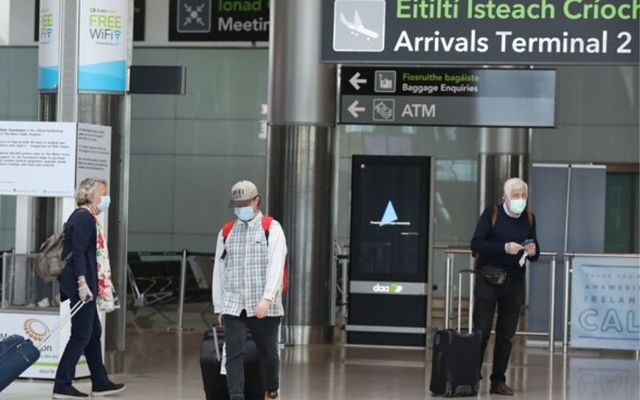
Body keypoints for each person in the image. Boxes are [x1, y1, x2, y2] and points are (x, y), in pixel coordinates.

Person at [212, 180, 287, 400]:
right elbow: (220, 269)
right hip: (234, 303)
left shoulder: (271, 229)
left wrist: (267, 298)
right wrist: (220, 305)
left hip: (264, 305)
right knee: (233, 354)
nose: (241, 208)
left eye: (245, 203)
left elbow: (276, 265)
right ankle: (236, 396)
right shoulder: (226, 232)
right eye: (237, 204)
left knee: (269, 354)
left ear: (257, 201)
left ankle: (272, 389)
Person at [54, 178, 125, 399]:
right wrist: (82, 283)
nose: (106, 198)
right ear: (91, 196)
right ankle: (62, 384)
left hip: (86, 286)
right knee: (81, 335)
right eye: (103, 193)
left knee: (93, 333)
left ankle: (100, 382)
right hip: (81, 287)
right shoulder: (84, 219)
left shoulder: (85, 217)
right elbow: (78, 253)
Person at [470, 177, 540, 396]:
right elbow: (476, 243)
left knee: (506, 334)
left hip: (515, 282)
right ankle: (471, 376)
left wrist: (532, 250)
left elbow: (536, 250)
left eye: (523, 196)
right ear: (505, 197)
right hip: (489, 280)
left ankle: (498, 380)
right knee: (481, 330)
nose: (520, 200)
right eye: (516, 195)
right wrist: (503, 247)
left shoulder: (529, 218)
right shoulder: (491, 214)